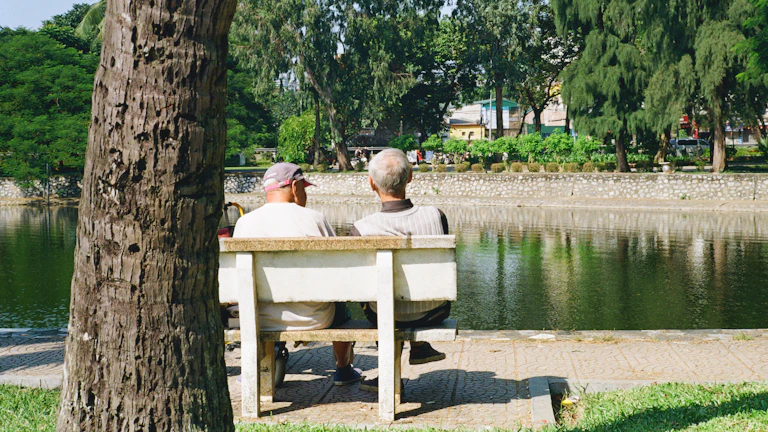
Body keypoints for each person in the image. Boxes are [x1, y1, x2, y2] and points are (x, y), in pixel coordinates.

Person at [234, 162, 363, 386]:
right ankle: (343, 368)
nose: (305, 195)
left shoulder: (244, 223)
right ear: (294, 187)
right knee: (341, 304)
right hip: (314, 318)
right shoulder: (314, 218)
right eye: (304, 188)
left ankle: (265, 358)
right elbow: (341, 271)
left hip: (257, 319)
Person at [350, 148, 452, 392]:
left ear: (371, 184)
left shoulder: (362, 228)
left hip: (381, 313)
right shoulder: (436, 216)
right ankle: (417, 347)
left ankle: (389, 375)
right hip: (433, 311)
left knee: (380, 298)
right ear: (410, 178)